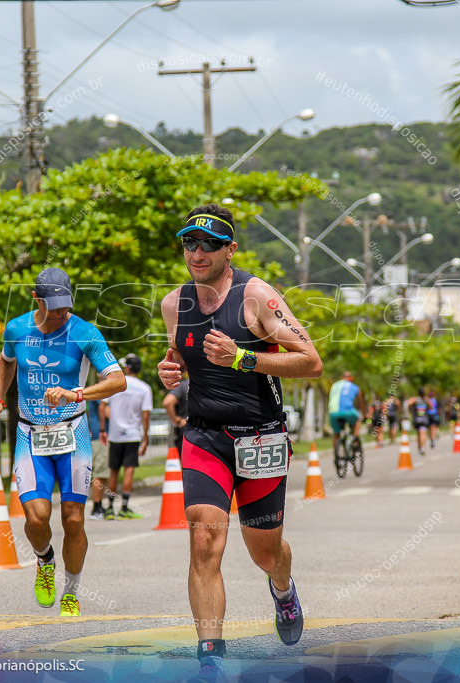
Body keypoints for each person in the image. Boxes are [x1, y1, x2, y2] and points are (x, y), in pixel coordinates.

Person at [156, 204, 322, 681]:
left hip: (259, 436)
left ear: (231, 249)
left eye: (209, 244)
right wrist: (172, 371)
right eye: (190, 242)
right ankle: (210, 656)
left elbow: (310, 360)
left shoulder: (256, 297)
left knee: (264, 551)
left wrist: (244, 359)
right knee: (204, 538)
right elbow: (181, 360)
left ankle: (283, 587)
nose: (198, 252)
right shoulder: (174, 304)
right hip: (205, 434)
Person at [0, 267, 125, 617]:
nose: (62, 314)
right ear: (37, 300)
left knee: (74, 519)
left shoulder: (85, 332)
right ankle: (45, 559)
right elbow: (5, 360)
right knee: (36, 517)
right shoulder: (17, 328)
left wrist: (76, 393)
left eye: (66, 306)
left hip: (72, 433)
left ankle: (72, 592)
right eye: (55, 307)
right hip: (30, 434)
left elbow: (118, 380)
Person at [100, 353, 152, 519]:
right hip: (132, 434)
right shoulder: (144, 388)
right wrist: (145, 438)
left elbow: (102, 407)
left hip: (115, 434)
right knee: (129, 470)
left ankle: (108, 508)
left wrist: (103, 429)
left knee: (113, 470)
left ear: (128, 367)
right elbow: (145, 415)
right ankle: (124, 508)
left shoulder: (116, 384)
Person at [328, 372, 365, 455]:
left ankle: (336, 454)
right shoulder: (354, 387)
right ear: (351, 378)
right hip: (348, 412)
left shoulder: (334, 385)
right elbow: (361, 401)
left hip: (333, 413)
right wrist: (364, 413)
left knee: (336, 434)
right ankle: (355, 440)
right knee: (357, 420)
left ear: (341, 378)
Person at [87, 399, 111, 520]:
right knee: (100, 473)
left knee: (104, 473)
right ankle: (96, 507)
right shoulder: (101, 394)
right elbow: (108, 412)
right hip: (101, 438)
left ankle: (99, 505)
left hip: (101, 437)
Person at [163, 373, 190, 456]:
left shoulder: (184, 385)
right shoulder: (211, 384)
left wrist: (176, 420)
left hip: (186, 429)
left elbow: (167, 402)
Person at [407, 390, 430, 455]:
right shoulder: (426, 399)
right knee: (423, 433)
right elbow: (431, 407)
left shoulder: (415, 399)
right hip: (424, 419)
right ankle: (422, 447)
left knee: (419, 433)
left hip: (417, 419)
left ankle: (420, 447)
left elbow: (408, 403)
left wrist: (410, 410)